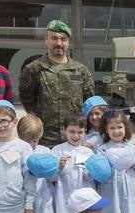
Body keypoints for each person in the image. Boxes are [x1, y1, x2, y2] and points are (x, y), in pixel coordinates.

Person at [17, 19, 96, 148]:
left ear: (68, 42)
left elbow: (89, 102)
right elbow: (27, 100)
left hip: (74, 139)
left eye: (63, 39)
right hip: (44, 139)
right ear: (46, 39)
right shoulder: (33, 69)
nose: (59, 43)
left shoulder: (80, 70)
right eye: (54, 38)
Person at [96, 110, 135, 213]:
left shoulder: (133, 149)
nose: (116, 131)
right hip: (109, 195)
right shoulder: (102, 150)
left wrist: (134, 162)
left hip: (129, 196)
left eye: (119, 127)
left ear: (126, 127)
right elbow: (99, 173)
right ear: (106, 129)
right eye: (112, 128)